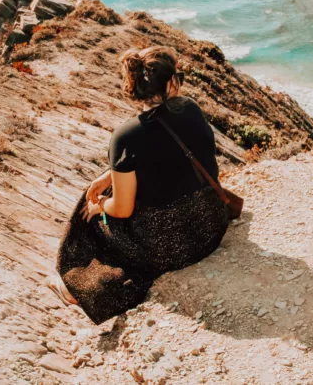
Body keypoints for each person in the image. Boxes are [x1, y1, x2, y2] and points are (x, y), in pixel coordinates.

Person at [52, 46, 230, 323]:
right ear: (172, 82)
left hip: (166, 246)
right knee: (111, 187)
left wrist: (99, 207)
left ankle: (76, 285)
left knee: (87, 210)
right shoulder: (191, 109)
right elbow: (168, 151)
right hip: (210, 225)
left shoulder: (127, 135)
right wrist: (110, 173)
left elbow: (122, 209)